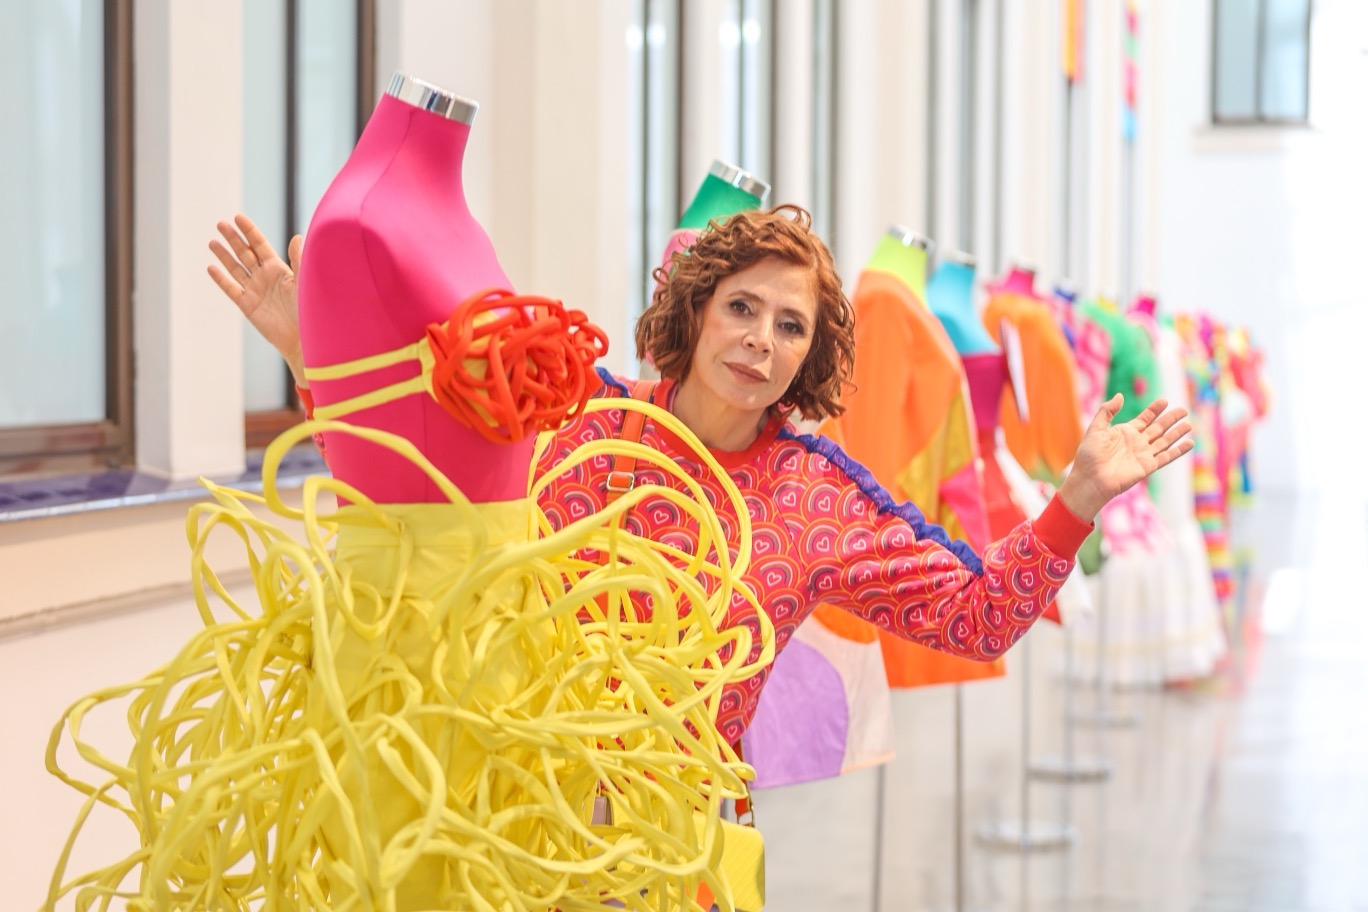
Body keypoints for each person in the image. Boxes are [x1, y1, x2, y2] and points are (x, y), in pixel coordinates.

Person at [212, 204, 1194, 750]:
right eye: (742, 308)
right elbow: (415, 477)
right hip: (496, 802)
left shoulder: (819, 501)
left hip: (666, 847)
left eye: (790, 325)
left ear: (808, 358)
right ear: (697, 313)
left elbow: (975, 617)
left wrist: (1075, 502)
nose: (760, 339)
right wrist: (312, 349)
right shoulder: (572, 410)